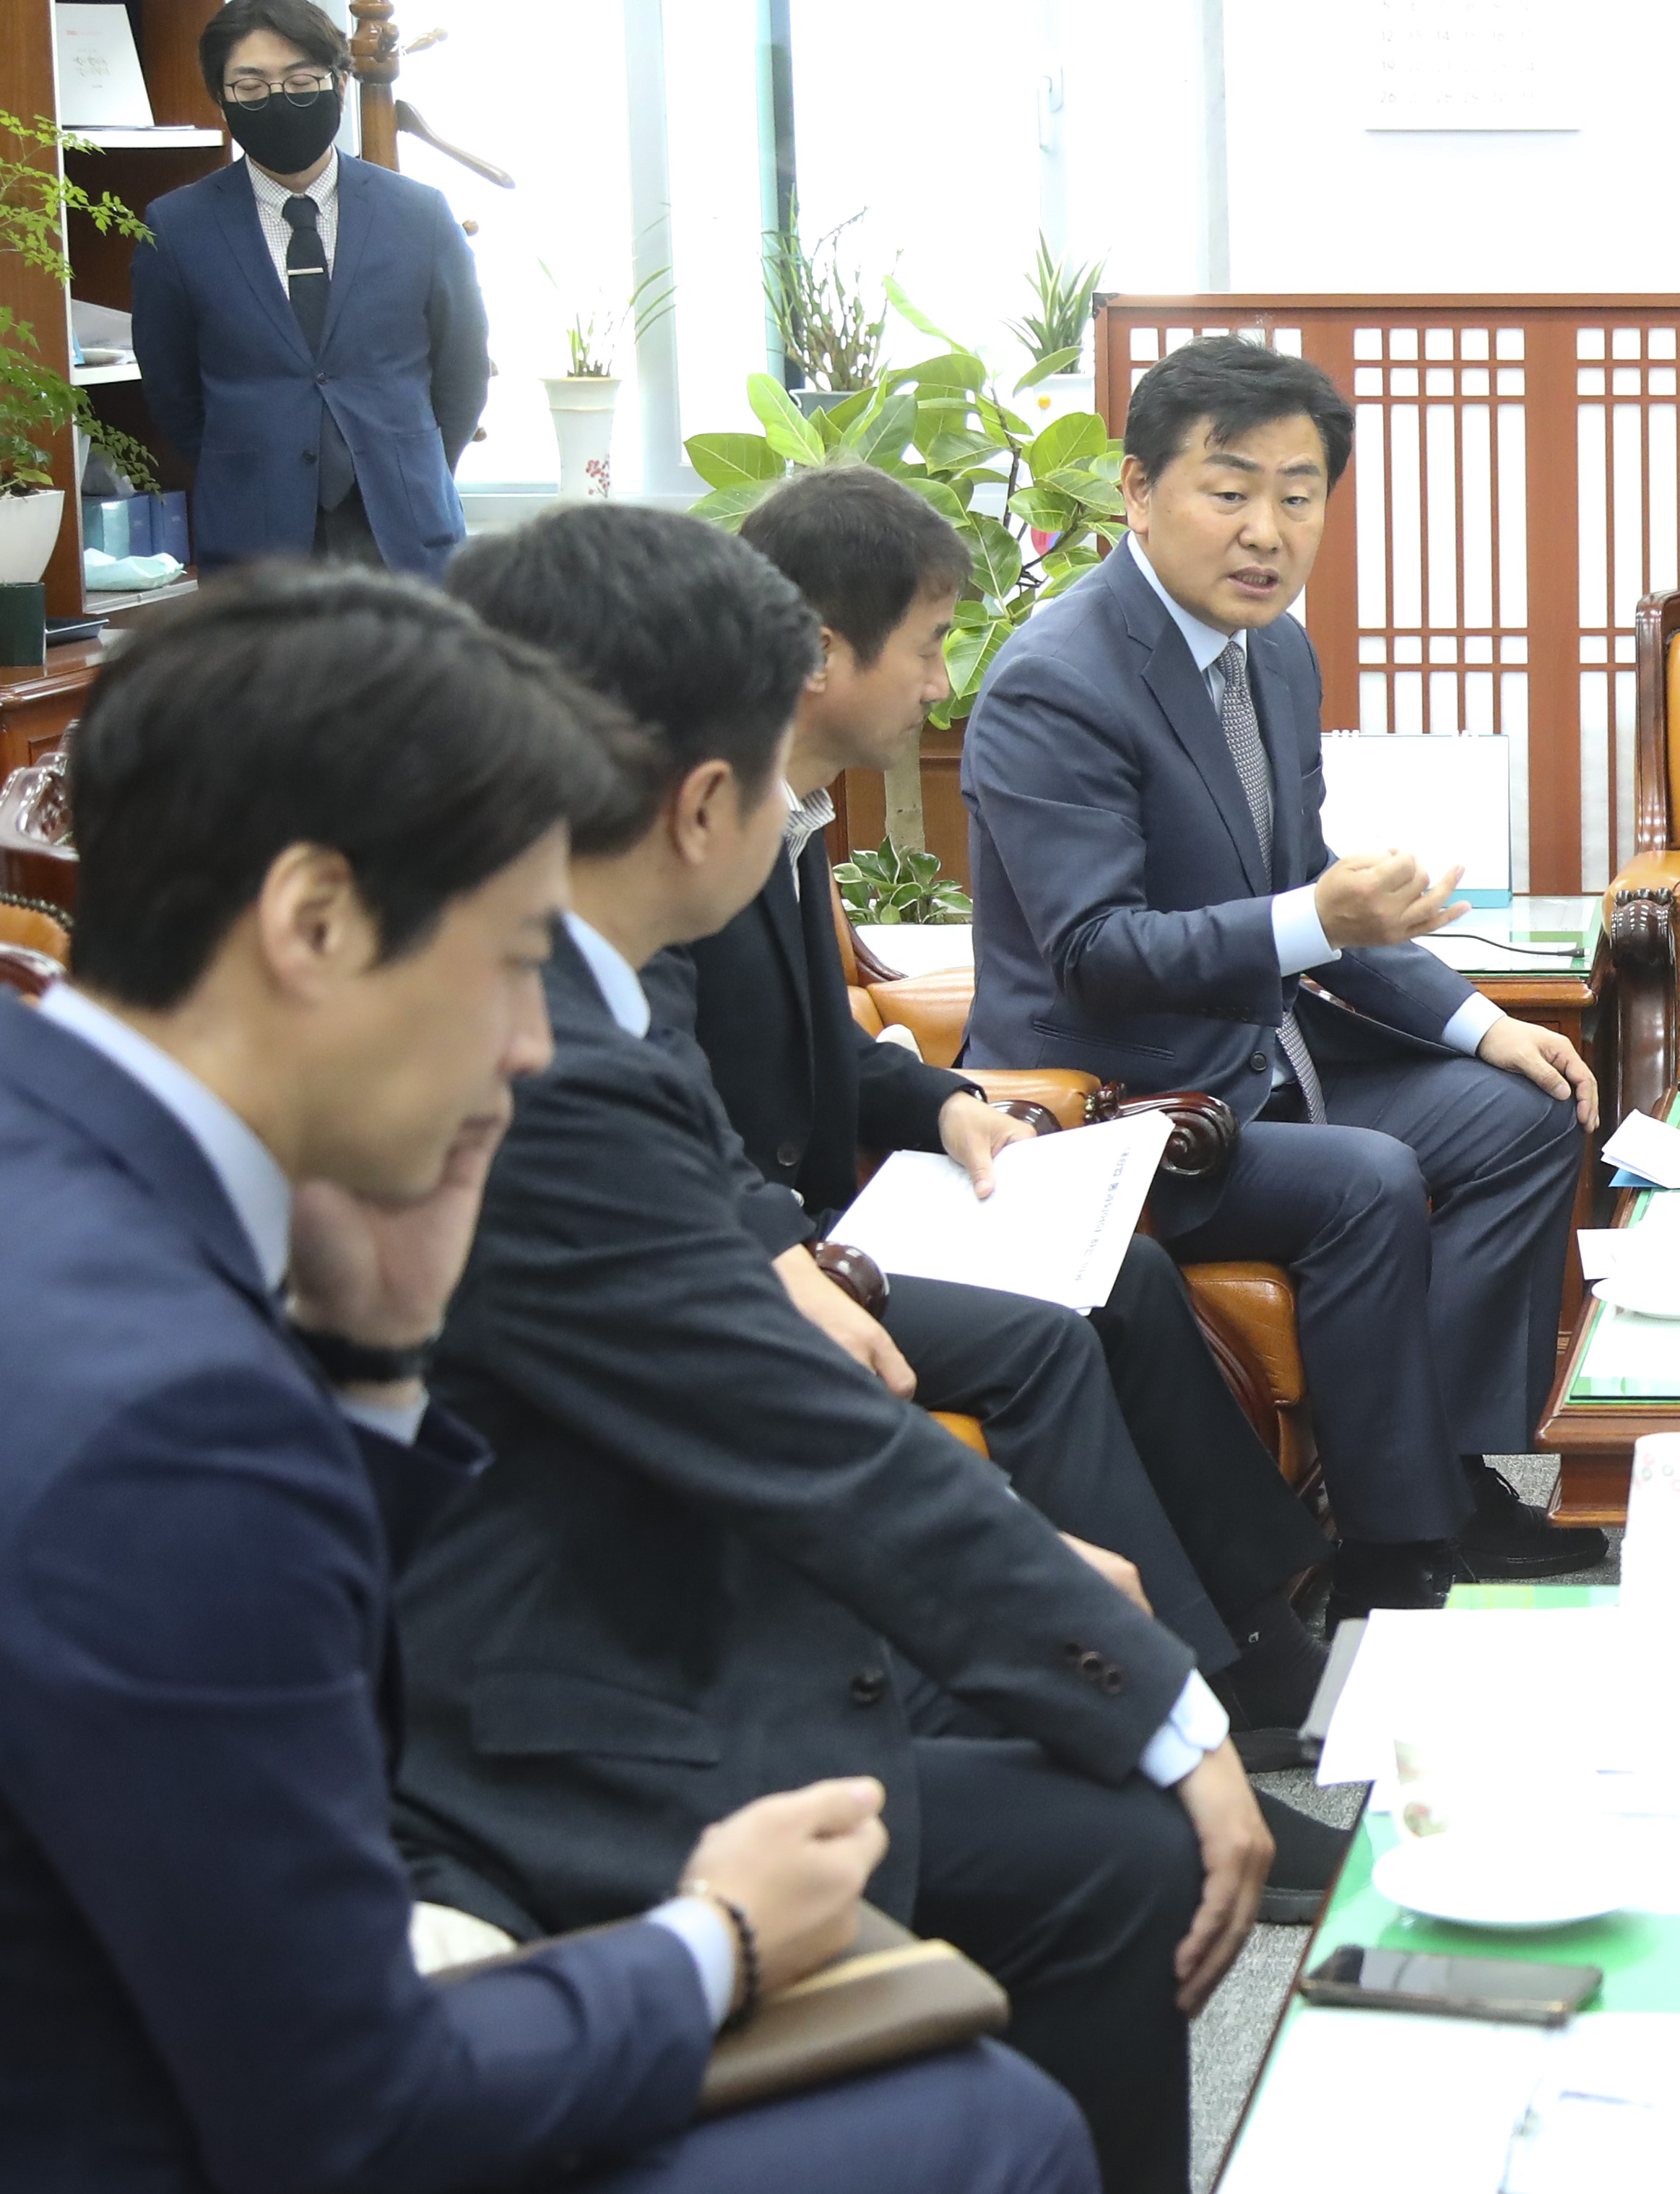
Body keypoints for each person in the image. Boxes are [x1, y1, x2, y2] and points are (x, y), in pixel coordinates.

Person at [0, 567, 1094, 2193]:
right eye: (517, 959)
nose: (531, 1044)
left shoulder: (59, 1140)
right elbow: (351, 2113)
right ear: (313, 923)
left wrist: (376, 1366)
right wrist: (712, 1937)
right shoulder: (170, 1415)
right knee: (992, 2127)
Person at [397, 506, 1323, 2194]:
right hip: (564, 1711)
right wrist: (1160, 1711)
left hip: (656, 1597)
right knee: (1117, 1836)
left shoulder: (575, 981)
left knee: (1082, 1772)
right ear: (699, 807)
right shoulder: (546, 1052)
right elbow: (798, 1438)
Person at [651, 463, 1335, 1733]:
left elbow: (824, 1047)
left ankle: (1258, 1634)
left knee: (1123, 1277)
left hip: (826, 1225)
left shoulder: (790, 813)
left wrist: (943, 1101)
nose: (935, 683)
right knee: (1039, 1341)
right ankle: (1163, 1704)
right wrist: (775, 1247)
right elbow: (657, 1103)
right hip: (750, 1257)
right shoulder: (687, 833)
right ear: (815, 652)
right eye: (924, 648)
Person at [961, 334, 1603, 1614]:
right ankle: (1391, 1546)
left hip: (1253, 1063)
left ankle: (1449, 1470)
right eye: (1229, 488)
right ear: (1138, 491)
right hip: (1116, 1103)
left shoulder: (1275, 652)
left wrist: (1478, 1023)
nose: (1266, 531)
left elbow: (1306, 884)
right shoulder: (1058, 679)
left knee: (1528, 1108)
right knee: (1365, 1178)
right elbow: (1097, 950)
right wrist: (1314, 913)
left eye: (1298, 496)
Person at [129, 1, 489, 578]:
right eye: (250, 86)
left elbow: (463, 373)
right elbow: (173, 392)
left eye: (300, 80)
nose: (278, 98)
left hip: (406, 531)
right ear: (221, 99)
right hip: (254, 540)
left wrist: (410, 464)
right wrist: (244, 469)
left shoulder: (420, 214)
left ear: (340, 84)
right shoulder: (176, 228)